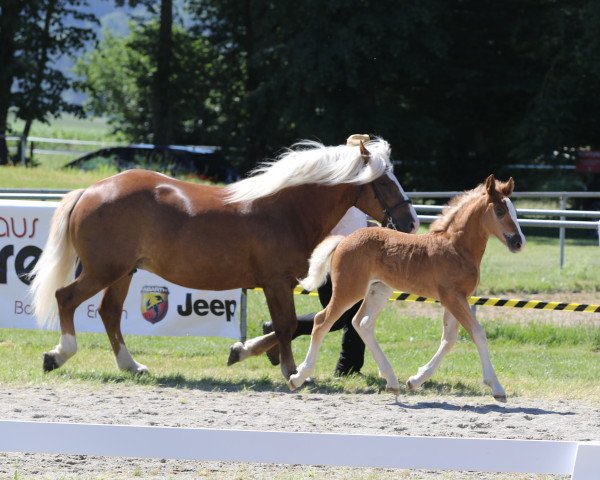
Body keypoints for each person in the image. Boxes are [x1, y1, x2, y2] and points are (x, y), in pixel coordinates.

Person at [262, 134, 372, 376]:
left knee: (348, 315)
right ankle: (347, 368)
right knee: (344, 317)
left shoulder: (354, 185)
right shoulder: (341, 187)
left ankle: (349, 368)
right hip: (337, 257)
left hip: (347, 257)